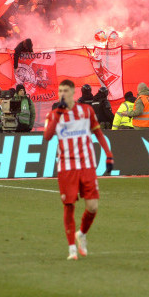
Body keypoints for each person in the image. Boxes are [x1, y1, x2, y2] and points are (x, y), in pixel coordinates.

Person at [43, 78, 114, 260]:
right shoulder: (53, 115)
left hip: (87, 165)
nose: (62, 94)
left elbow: (98, 133)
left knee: (92, 206)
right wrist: (58, 114)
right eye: (60, 91)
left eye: (66, 90)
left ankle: (81, 234)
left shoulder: (86, 111)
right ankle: (72, 249)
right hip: (67, 167)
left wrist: (108, 154)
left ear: (73, 92)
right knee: (69, 206)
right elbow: (47, 137)